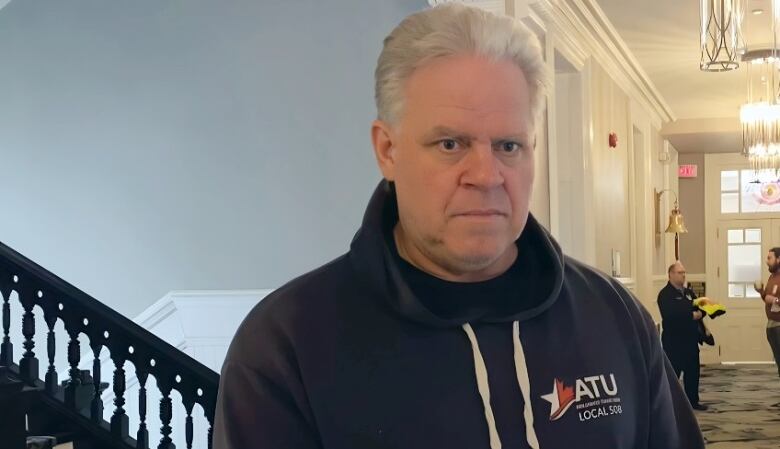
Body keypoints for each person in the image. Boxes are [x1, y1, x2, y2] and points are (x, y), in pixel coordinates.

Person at [213, 4, 704, 448]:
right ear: (388, 149)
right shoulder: (286, 346)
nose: (487, 175)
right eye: (450, 144)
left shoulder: (613, 317)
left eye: (509, 146)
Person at [657, 261, 707, 411]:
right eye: (680, 272)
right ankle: (669, 405)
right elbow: (671, 315)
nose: (683, 275)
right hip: (674, 342)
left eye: (684, 272)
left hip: (690, 340)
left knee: (693, 373)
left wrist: (701, 316)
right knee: (672, 376)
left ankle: (693, 401)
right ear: (671, 274)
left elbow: (700, 308)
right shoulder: (665, 294)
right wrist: (691, 315)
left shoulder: (688, 293)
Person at [756, 248, 780, 384]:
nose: (767, 261)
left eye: (769, 258)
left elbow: (774, 300)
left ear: (778, 259)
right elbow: (767, 299)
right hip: (771, 325)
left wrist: (776, 300)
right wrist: (761, 292)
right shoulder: (772, 277)